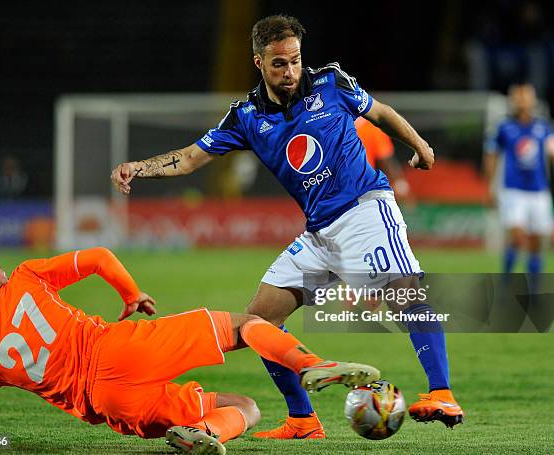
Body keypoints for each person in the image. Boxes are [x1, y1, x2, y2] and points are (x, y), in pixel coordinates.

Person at [111, 14, 464, 437]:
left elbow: (380, 112)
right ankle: (303, 419)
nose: (291, 71)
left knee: (404, 294)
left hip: (365, 211)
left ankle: (441, 392)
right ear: (259, 62)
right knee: (258, 323)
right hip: (319, 234)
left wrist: (420, 146)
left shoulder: (332, 83)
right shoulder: (245, 116)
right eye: (280, 63)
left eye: (296, 60)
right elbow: (189, 158)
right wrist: (139, 167)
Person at [0, 247, 379, 454]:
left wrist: (2, 439)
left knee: (243, 405)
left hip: (107, 405)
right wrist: (131, 294)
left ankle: (207, 434)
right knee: (249, 326)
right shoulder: (22, 278)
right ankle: (312, 365)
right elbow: (97, 257)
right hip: (117, 349)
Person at [485, 83, 554, 287]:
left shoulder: (543, 127)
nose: (523, 101)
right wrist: (489, 187)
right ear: (513, 100)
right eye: (519, 97)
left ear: (533, 100)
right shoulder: (504, 127)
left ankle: (534, 290)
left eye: (526, 97)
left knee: (536, 244)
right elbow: (492, 156)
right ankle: (506, 283)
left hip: (539, 191)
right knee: (516, 237)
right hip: (513, 191)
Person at [355, 116, 413, 204]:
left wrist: (399, 183)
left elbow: (385, 157)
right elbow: (385, 158)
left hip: (360, 184)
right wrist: (399, 183)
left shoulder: (370, 126)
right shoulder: (370, 125)